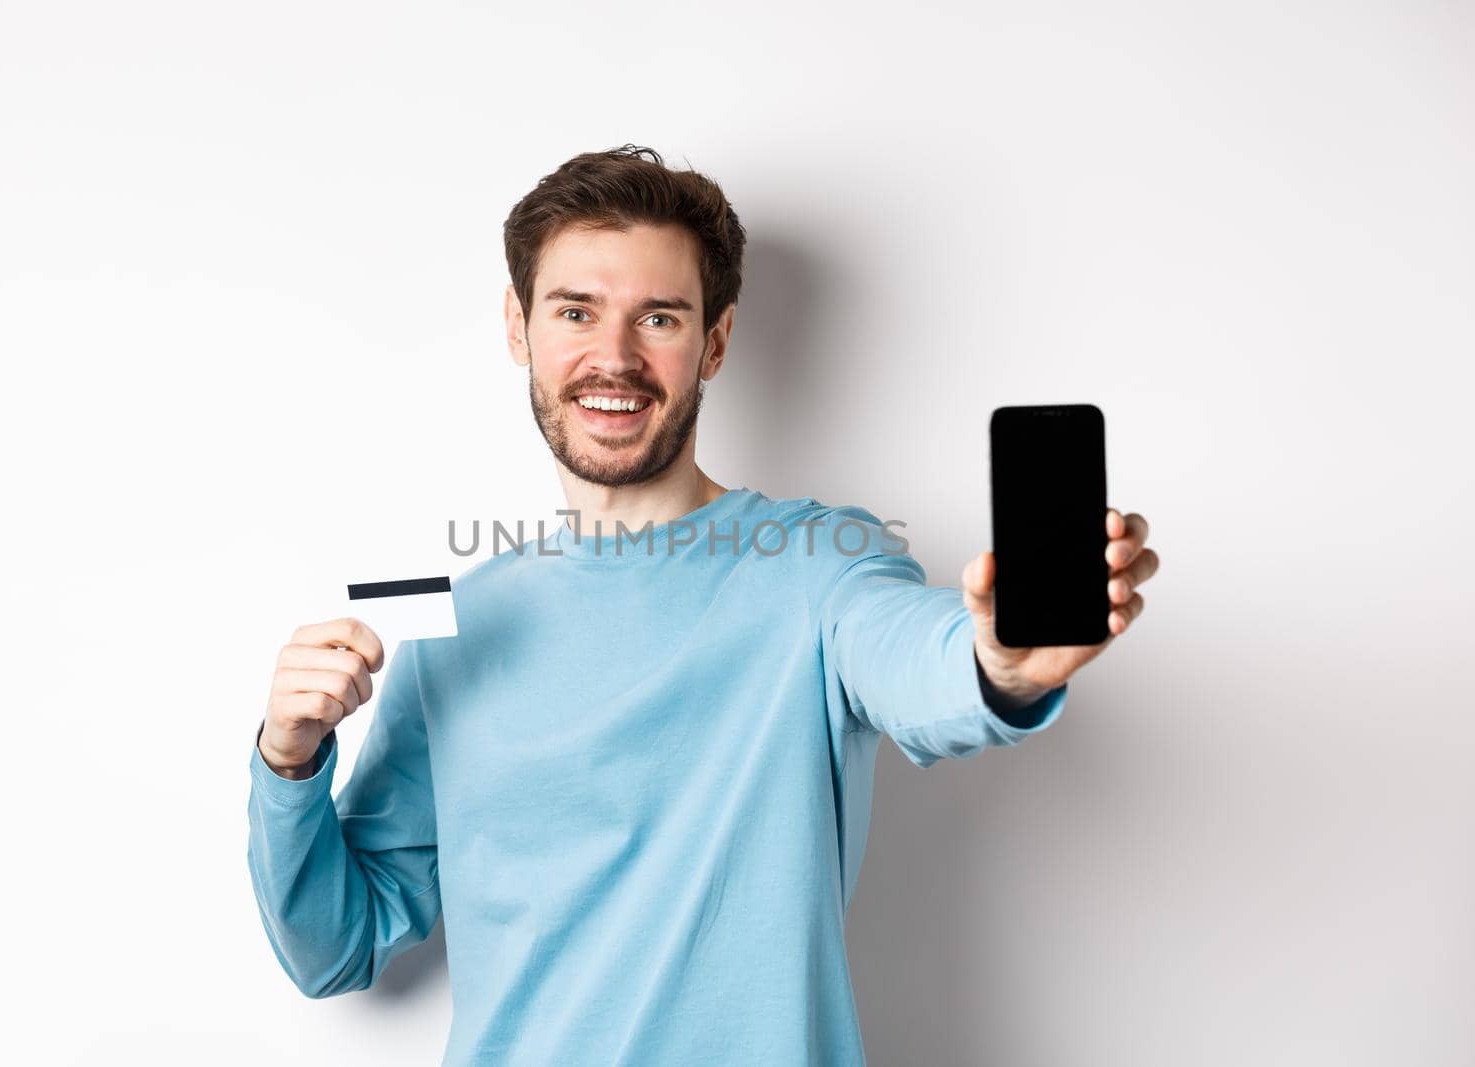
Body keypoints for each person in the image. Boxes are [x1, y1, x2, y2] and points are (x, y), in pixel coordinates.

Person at [246, 144, 1158, 1065]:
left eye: (659, 317)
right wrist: (289, 761)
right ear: (520, 329)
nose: (614, 356)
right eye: (576, 311)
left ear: (714, 342)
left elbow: (916, 657)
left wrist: (996, 663)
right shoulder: (454, 622)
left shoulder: (816, 566)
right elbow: (335, 947)